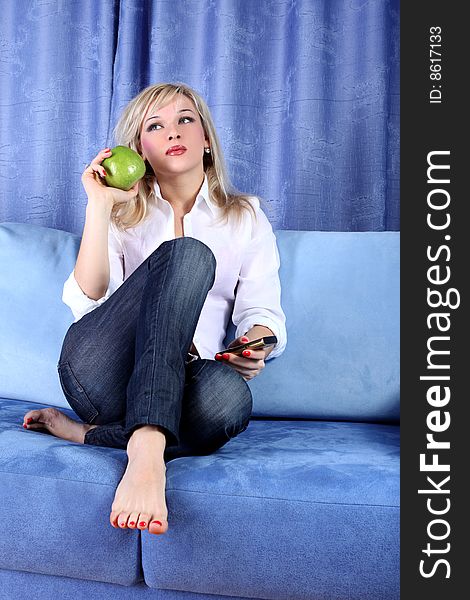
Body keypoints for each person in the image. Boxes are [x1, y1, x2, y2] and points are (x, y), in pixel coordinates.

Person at [22, 82, 287, 536]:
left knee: (229, 399)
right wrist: (99, 206)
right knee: (189, 254)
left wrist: (256, 344)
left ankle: (90, 435)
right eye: (155, 126)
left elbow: (262, 312)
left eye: (185, 119)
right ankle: (146, 449)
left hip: (187, 380)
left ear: (206, 138)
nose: (173, 132)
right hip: (102, 371)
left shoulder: (246, 216)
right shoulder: (124, 215)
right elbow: (88, 300)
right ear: (140, 150)